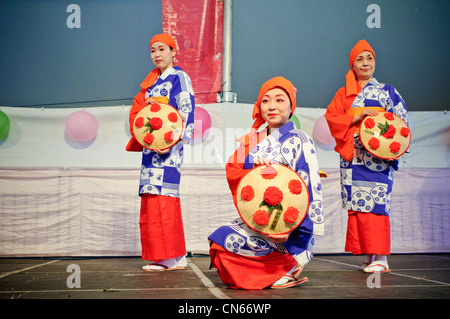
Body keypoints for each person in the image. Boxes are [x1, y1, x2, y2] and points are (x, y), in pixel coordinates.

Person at [208, 77, 325, 289]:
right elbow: (233, 169)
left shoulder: (300, 139)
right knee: (221, 242)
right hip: (261, 219)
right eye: (265, 101)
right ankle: (273, 272)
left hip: (288, 223)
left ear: (291, 107)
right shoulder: (253, 140)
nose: (272, 106)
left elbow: (310, 188)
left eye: (280, 100)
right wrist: (255, 169)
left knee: (229, 246)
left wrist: (291, 228)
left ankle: (289, 265)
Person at [325, 39, 409, 273]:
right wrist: (356, 117)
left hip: (378, 161)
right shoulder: (343, 94)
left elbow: (401, 122)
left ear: (375, 62)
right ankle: (370, 255)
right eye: (359, 59)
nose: (365, 63)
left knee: (376, 206)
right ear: (352, 65)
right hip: (353, 160)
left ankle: (381, 257)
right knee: (359, 206)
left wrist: (392, 149)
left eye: (369, 58)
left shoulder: (387, 92)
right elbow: (331, 118)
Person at [126, 33, 195, 271]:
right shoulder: (151, 84)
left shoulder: (179, 77)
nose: (157, 54)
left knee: (164, 199)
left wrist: (174, 141)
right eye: (153, 50)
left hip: (169, 149)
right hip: (150, 150)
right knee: (151, 198)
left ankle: (169, 257)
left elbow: (186, 109)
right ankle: (173, 256)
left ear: (173, 52)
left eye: (162, 49)